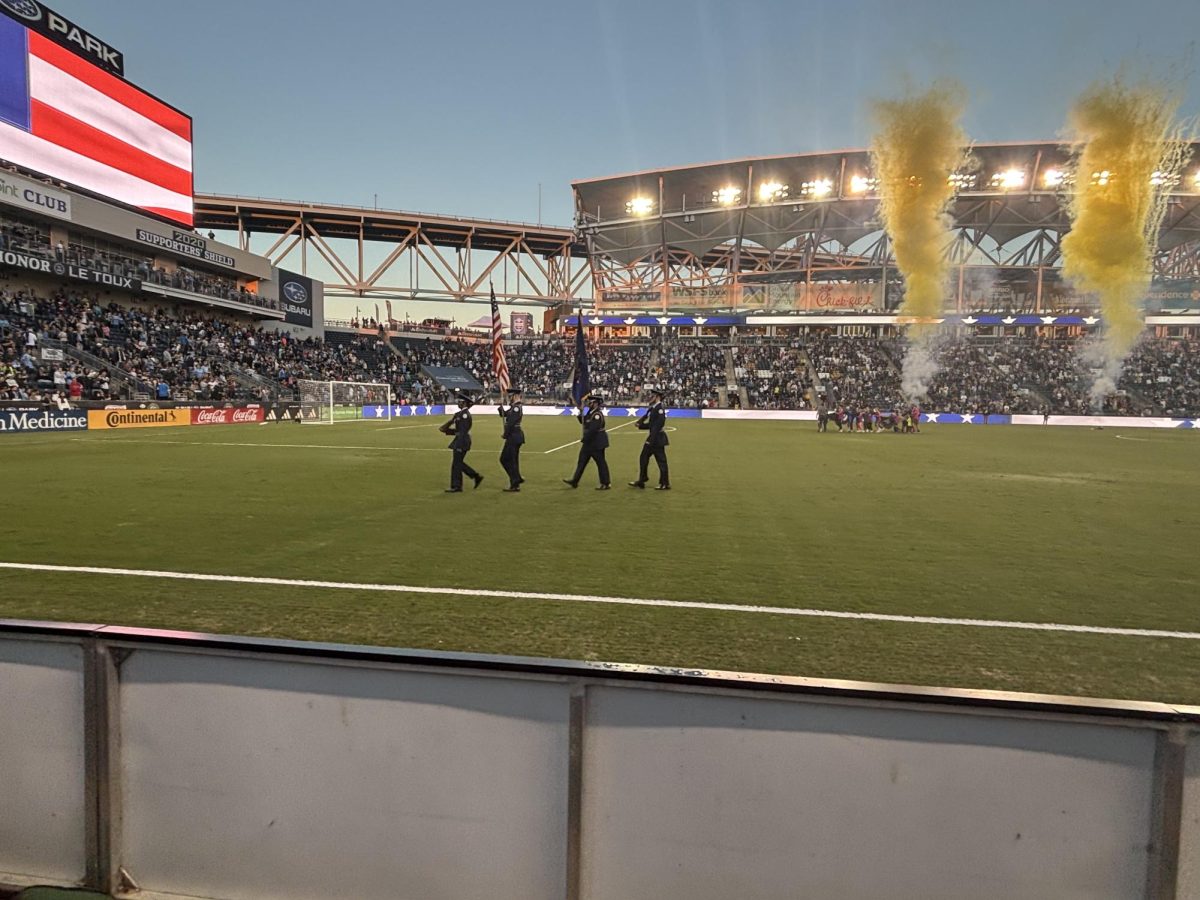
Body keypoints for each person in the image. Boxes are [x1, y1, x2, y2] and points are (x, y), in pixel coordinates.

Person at [563, 392, 611, 490]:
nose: (588, 403)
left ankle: (605, 483)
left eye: (590, 401)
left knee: (600, 463)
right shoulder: (590, 412)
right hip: (589, 443)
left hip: (596, 443)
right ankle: (575, 481)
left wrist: (585, 438)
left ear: (596, 403)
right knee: (581, 462)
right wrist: (580, 412)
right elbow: (583, 421)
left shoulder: (597, 414)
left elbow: (593, 429)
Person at [440, 392, 483, 493]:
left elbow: (463, 431)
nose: (458, 404)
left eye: (459, 402)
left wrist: (458, 444)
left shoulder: (464, 415)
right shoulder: (461, 414)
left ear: (464, 403)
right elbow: (458, 430)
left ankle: (457, 486)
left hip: (462, 441)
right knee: (458, 463)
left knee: (456, 464)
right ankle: (475, 476)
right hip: (461, 440)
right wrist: (447, 430)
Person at [629, 388, 670, 490]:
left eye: (652, 396)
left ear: (657, 397)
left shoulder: (660, 408)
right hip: (654, 438)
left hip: (657, 439)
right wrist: (640, 425)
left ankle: (664, 483)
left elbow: (658, 425)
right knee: (643, 458)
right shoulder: (653, 408)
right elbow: (652, 424)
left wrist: (650, 439)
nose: (650, 397)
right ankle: (642, 479)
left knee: (661, 461)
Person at [498, 386, 525, 492]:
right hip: (515, 436)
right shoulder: (514, 407)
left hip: (514, 436)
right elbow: (505, 415)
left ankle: (515, 481)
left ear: (515, 396)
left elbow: (511, 423)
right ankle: (516, 479)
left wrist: (505, 434)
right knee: (513, 460)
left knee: (505, 459)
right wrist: (501, 409)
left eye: (510, 396)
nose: (509, 398)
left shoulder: (516, 407)